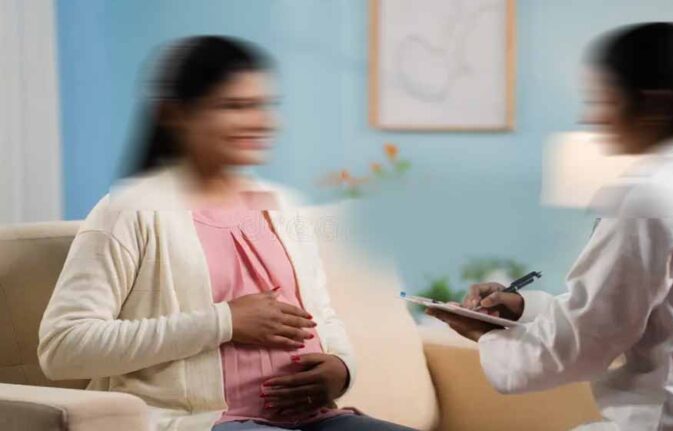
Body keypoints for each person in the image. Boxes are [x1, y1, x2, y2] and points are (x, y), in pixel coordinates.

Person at [38, 36, 414, 431]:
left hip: (316, 419)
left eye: (264, 105)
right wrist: (225, 321)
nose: (261, 121)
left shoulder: (283, 206)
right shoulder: (128, 212)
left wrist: (341, 368)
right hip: (202, 423)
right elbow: (63, 347)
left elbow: (321, 316)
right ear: (175, 115)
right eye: (234, 106)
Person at [428, 23, 673, 430]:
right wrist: (522, 309)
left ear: (654, 104)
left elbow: (588, 340)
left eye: (602, 99)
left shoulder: (657, 196)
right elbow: (645, 314)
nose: (591, 117)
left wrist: (487, 336)